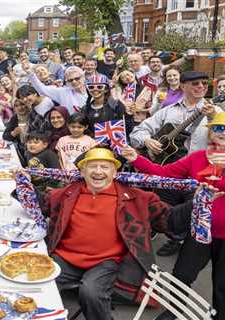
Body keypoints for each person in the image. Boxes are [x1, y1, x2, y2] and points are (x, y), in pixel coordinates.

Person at [41, 147, 207, 320]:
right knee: (37, 284)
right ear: (82, 171)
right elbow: (40, 204)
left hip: (105, 261)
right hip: (65, 258)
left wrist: (196, 201)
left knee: (91, 293)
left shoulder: (137, 198)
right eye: (92, 166)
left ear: (114, 172)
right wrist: (19, 184)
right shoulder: (66, 193)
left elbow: (170, 220)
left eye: (105, 167)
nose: (98, 171)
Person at [121, 112, 225, 320]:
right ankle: (175, 311)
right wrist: (137, 159)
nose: (220, 134)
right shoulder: (197, 158)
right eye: (216, 129)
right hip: (199, 229)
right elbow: (163, 174)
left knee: (222, 285)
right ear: (210, 133)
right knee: (181, 275)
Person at [130, 71, 218, 158]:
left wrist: (213, 119)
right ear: (183, 86)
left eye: (204, 83)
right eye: (195, 83)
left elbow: (221, 141)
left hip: (200, 167)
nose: (201, 86)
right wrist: (147, 140)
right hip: (169, 166)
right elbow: (137, 132)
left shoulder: (216, 111)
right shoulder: (167, 111)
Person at [3, 99, 30, 164]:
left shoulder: (33, 117)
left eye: (22, 104)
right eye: (16, 106)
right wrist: (13, 133)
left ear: (27, 105)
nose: (20, 108)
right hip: (21, 147)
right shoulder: (15, 117)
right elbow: (5, 135)